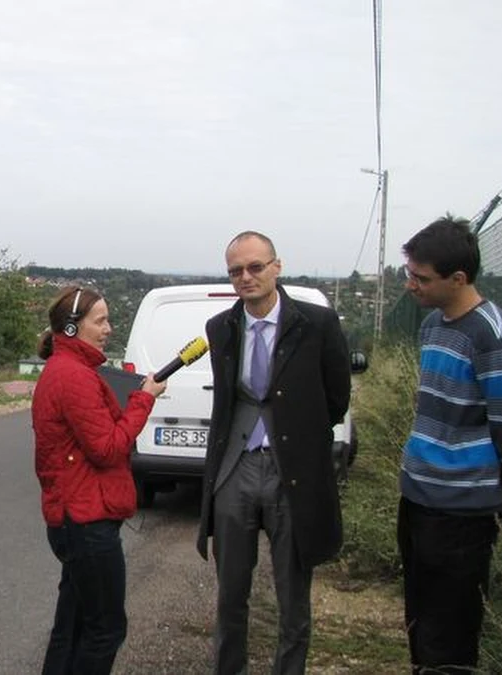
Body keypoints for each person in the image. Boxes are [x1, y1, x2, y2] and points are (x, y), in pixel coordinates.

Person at [196, 231, 352, 674]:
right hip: (237, 470)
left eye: (254, 267)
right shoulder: (220, 329)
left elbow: (335, 396)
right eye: (235, 271)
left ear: (276, 267)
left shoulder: (317, 324)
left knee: (292, 598)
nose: (245, 277)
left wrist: (299, 440)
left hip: (293, 474)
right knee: (230, 596)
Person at [397, 216, 502, 674]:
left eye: (422, 278)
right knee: (421, 622)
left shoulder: (492, 337)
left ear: (458, 279)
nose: (411, 285)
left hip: (459, 514)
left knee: (450, 636)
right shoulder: (435, 325)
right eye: (409, 273)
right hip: (418, 498)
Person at [31, 285, 167, 675]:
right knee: (105, 630)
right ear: (72, 328)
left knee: (72, 627)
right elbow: (107, 449)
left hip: (74, 518)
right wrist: (143, 401)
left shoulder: (69, 371)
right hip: (86, 521)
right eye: (100, 320)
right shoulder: (74, 377)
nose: (108, 328)